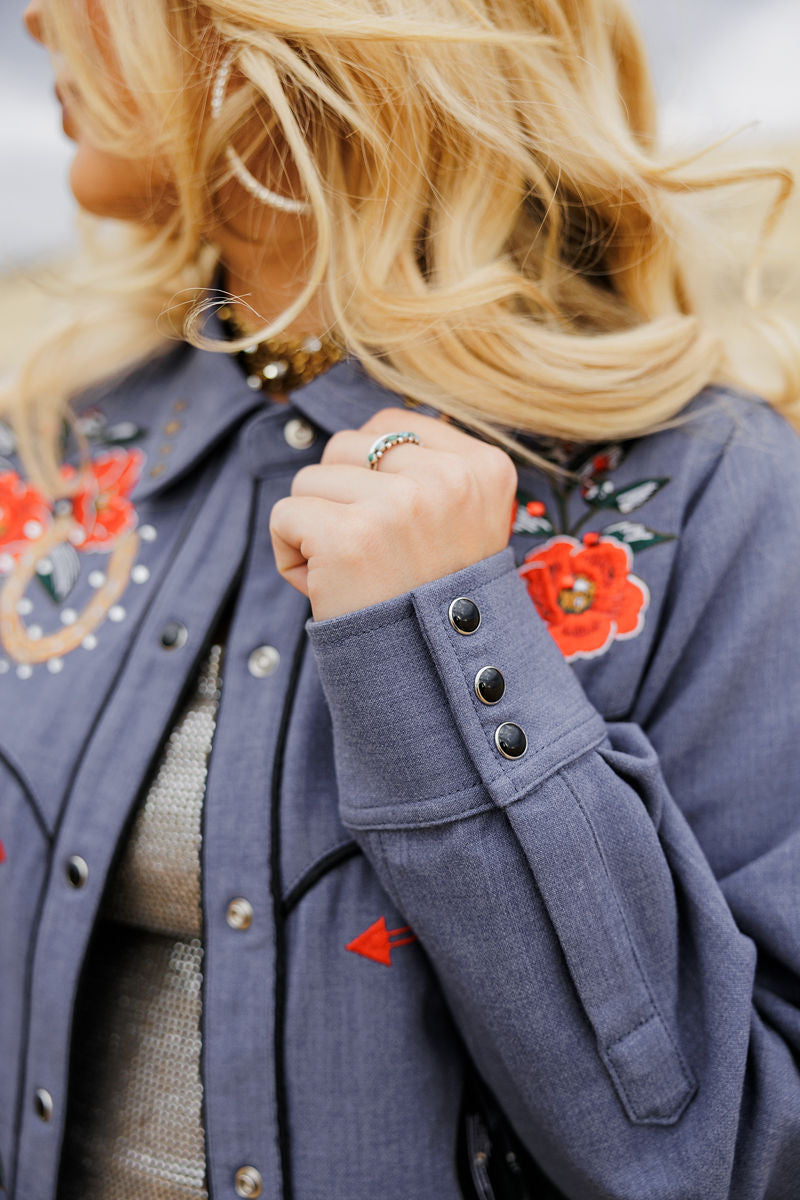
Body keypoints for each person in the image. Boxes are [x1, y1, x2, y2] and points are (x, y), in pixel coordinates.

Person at [2, 0, 800, 1197]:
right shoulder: (54, 449)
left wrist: (448, 638)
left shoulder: (714, 493)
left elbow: (741, 1153)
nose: (37, 20)